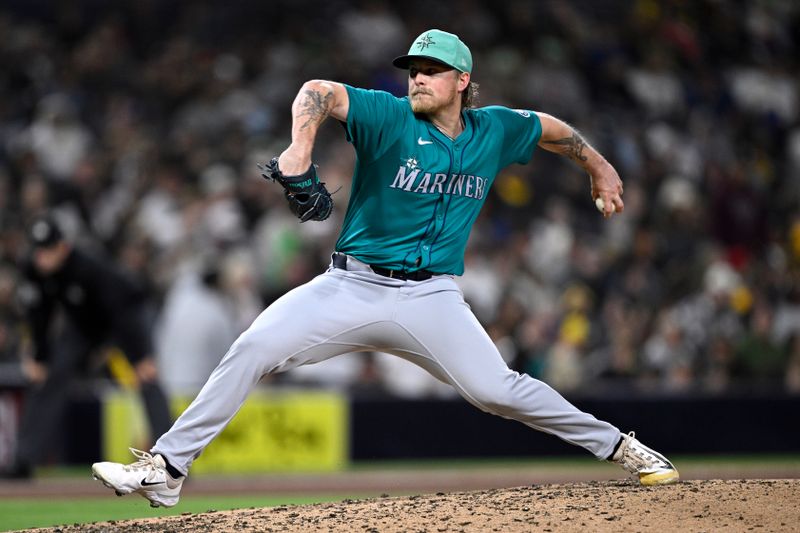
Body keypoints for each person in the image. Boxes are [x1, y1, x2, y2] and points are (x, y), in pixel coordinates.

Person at [92, 29, 679, 508]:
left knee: (498, 390)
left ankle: (622, 449)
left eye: (432, 68)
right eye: (413, 68)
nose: (418, 77)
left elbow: (551, 129)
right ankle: (167, 467)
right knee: (253, 346)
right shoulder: (388, 117)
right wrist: (300, 148)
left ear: (462, 81)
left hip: (432, 299)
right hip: (351, 286)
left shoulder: (493, 129)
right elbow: (318, 90)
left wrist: (598, 167)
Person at [2, 216, 172, 478]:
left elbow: (122, 310)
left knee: (146, 380)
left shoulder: (89, 267)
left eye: (48, 250)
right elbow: (40, 313)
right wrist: (39, 356)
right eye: (38, 251)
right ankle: (23, 459)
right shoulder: (33, 269)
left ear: (63, 248)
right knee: (50, 379)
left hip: (124, 319)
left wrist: (141, 356)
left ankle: (170, 460)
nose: (42, 258)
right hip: (83, 325)